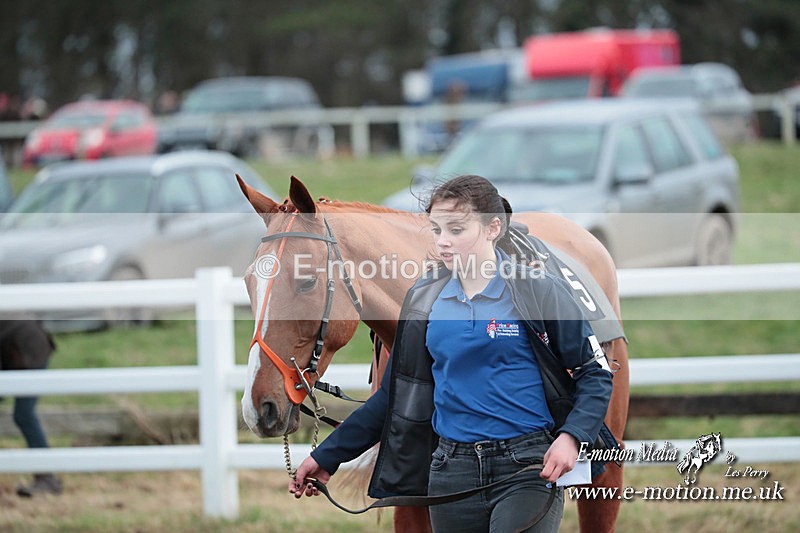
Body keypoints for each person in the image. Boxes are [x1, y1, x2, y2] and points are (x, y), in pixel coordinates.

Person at [289, 175, 614, 532]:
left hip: (526, 467)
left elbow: (594, 373)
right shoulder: (424, 299)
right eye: (437, 230)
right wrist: (327, 456)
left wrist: (571, 438)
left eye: (456, 230)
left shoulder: (538, 290)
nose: (443, 242)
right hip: (450, 471)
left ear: (493, 227)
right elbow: (396, 395)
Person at [0, 319, 62, 497]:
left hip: (29, 350)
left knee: (24, 415)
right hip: (24, 348)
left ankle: (47, 478)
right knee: (24, 415)